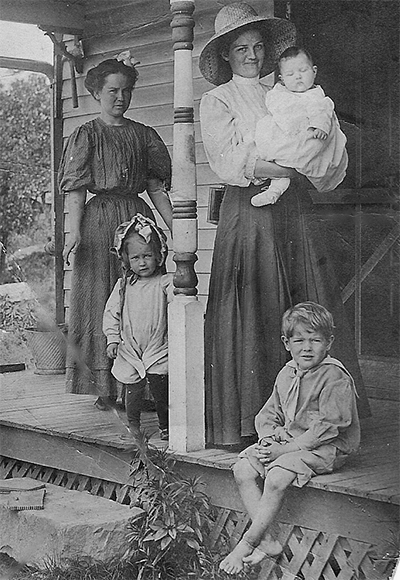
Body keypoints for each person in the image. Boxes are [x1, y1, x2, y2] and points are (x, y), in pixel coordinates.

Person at [199, 2, 370, 448]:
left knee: (307, 299)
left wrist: (310, 158)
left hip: (293, 209)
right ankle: (249, 421)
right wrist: (287, 168)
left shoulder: (290, 89)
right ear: (226, 56)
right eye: (241, 49)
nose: (251, 56)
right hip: (250, 213)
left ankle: (321, 420)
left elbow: (325, 141)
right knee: (257, 304)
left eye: (257, 47)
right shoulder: (219, 100)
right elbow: (230, 160)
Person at [58, 53, 172, 408]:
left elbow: (156, 187)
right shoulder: (86, 135)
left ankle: (142, 386)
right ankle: (107, 389)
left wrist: (176, 228)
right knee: (101, 300)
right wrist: (73, 233)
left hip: (137, 223)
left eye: (125, 91)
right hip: (99, 222)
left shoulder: (144, 135)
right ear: (96, 93)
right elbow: (76, 190)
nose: (119, 97)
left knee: (143, 303)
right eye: (112, 91)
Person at [220, 302, 361, 574]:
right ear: (287, 343)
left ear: (329, 343)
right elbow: (268, 414)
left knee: (276, 476)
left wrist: (284, 451)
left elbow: (330, 426)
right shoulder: (287, 373)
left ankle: (247, 542)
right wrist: (267, 443)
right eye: (299, 340)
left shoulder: (334, 376)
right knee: (243, 468)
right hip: (291, 443)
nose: (307, 348)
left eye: (316, 340)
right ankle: (269, 540)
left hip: (328, 446)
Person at [103, 214, 173, 441]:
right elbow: (111, 313)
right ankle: (133, 425)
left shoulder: (164, 282)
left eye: (147, 256)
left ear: (159, 256)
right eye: (135, 258)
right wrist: (112, 339)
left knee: (160, 389)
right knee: (131, 391)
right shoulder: (123, 286)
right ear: (126, 260)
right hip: (130, 348)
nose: (142, 263)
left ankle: (166, 425)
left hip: (157, 347)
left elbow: (177, 298)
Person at [251, 46, 348, 207]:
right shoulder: (279, 93)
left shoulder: (316, 96)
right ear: (282, 79)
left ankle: (276, 190)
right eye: (290, 74)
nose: (298, 77)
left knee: (298, 158)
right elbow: (274, 106)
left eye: (303, 70)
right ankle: (273, 191)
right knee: (265, 128)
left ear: (314, 71)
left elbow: (322, 111)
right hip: (284, 136)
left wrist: (320, 126)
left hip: (302, 140)